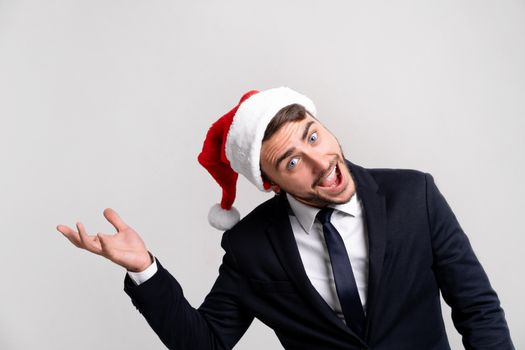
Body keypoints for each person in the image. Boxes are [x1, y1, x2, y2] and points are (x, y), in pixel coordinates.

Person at [57, 87, 514, 349]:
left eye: (313, 137)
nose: (321, 162)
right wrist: (144, 271)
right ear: (271, 182)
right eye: (292, 162)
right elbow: (208, 343)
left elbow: (477, 308)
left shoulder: (416, 195)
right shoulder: (250, 247)